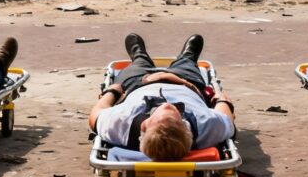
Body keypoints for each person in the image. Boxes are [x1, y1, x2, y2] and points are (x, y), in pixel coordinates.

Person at [87, 33, 235, 161]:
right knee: (187, 64)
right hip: (186, 83)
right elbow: (226, 118)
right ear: (187, 129)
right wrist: (220, 100)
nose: (167, 105)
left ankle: (139, 55)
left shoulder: (122, 125)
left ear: (145, 126)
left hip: (137, 85)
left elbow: (95, 116)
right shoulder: (205, 126)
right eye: (176, 117)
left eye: (163, 112)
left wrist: (111, 93)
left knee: (137, 65)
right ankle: (187, 56)